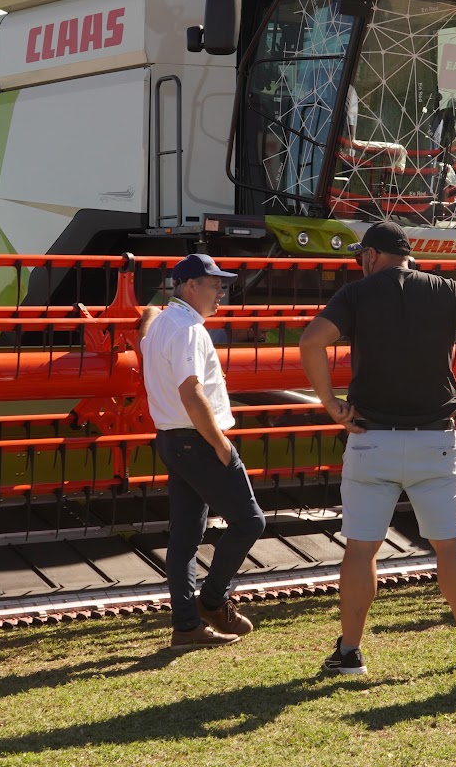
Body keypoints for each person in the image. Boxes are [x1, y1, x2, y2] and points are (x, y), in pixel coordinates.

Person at [299, 221, 456, 674]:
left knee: (361, 549)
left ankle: (350, 651)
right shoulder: (445, 289)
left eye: (361, 257)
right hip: (434, 439)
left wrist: (331, 404)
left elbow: (311, 342)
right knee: (452, 546)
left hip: (370, 439)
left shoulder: (355, 295)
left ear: (372, 256)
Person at [139, 254, 266, 649]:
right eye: (215, 285)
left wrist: (148, 310)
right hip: (198, 440)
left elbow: (145, 333)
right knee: (250, 521)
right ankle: (213, 601)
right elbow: (191, 391)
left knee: (185, 538)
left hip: (172, 440)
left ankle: (187, 625)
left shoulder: (163, 323)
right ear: (191, 285)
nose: (221, 294)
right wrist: (219, 443)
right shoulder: (189, 328)